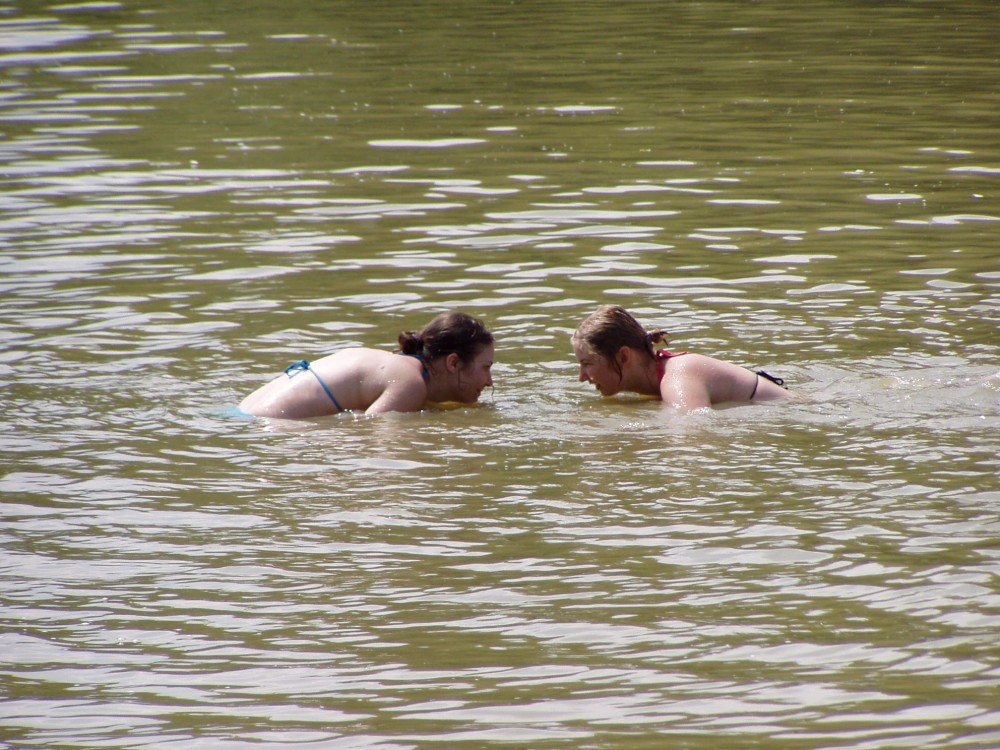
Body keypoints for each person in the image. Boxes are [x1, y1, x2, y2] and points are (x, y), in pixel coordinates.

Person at [239, 312, 495, 419]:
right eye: (486, 367)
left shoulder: (398, 365)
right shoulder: (410, 383)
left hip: (241, 414)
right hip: (268, 426)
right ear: (453, 362)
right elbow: (372, 434)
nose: (489, 381)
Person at [572, 305, 794, 412]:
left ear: (623, 356)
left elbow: (693, 433)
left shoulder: (677, 379)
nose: (582, 377)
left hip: (789, 410)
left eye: (587, 364)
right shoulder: (656, 381)